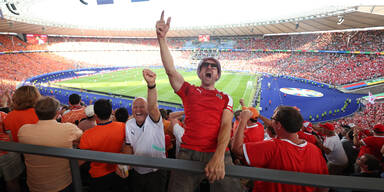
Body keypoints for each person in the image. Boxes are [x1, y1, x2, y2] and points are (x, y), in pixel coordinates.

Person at [156, 11, 241, 191]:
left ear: (217, 75)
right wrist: (162, 39)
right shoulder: (189, 90)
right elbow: (171, 70)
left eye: (213, 66)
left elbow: (226, 125)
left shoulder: (226, 97)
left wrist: (218, 157)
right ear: (199, 73)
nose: (209, 67)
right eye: (204, 65)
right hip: (188, 153)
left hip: (219, 153)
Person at [231, 106, 328, 192]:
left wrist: (243, 120)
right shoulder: (315, 150)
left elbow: (237, 149)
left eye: (272, 119)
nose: (271, 121)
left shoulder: (272, 147)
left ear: (278, 125)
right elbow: (324, 187)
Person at [18, 96, 83, 192]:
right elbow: (82, 138)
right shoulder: (69, 129)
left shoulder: (23, 130)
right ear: (57, 113)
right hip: (62, 184)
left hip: (34, 184)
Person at [120, 69, 167, 192]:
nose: (138, 110)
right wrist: (123, 163)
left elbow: (152, 108)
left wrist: (151, 85)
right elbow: (129, 146)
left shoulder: (154, 120)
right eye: (135, 107)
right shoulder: (129, 124)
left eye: (142, 107)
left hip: (155, 172)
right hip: (137, 172)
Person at [78, 99, 125, 192]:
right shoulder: (122, 127)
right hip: (118, 172)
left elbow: (80, 160)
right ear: (111, 112)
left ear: (95, 115)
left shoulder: (87, 134)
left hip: (98, 176)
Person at [0, 111, 24, 192]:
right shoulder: (3, 115)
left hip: (6, 152)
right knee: (12, 181)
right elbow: (11, 133)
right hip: (7, 152)